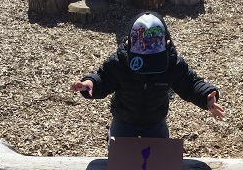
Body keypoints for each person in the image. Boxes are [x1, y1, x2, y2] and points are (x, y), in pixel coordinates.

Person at [71, 11, 225, 142]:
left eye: (153, 62)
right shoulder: (119, 62)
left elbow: (190, 84)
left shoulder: (171, 63)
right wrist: (89, 84)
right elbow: (104, 79)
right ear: (128, 45)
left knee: (159, 157)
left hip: (155, 120)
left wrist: (206, 96)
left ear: (167, 44)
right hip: (124, 118)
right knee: (120, 157)